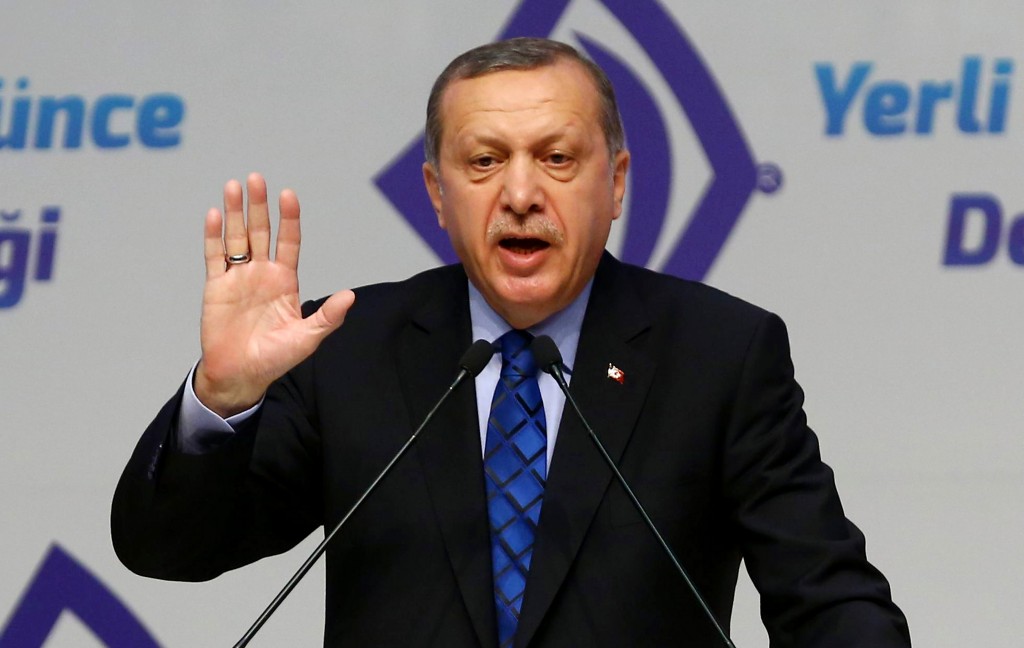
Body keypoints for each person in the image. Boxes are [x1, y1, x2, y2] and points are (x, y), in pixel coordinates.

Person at [112, 38, 911, 647]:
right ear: (437, 192)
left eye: (557, 158)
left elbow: (830, 601)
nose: (521, 194)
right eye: (485, 161)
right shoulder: (348, 350)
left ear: (618, 181)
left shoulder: (720, 354)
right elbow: (170, 550)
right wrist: (222, 400)